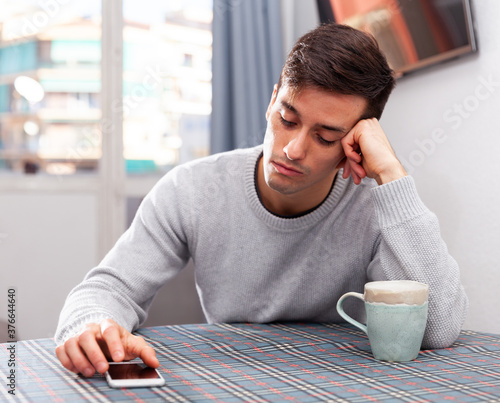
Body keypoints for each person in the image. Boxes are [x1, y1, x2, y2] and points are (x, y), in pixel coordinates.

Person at [55, 23, 468, 377]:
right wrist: (93, 326)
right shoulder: (193, 190)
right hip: (229, 377)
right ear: (272, 100)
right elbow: (109, 288)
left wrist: (392, 175)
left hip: (341, 381)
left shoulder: (376, 207)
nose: (292, 149)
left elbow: (439, 329)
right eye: (287, 119)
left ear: (354, 143)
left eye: (325, 137)